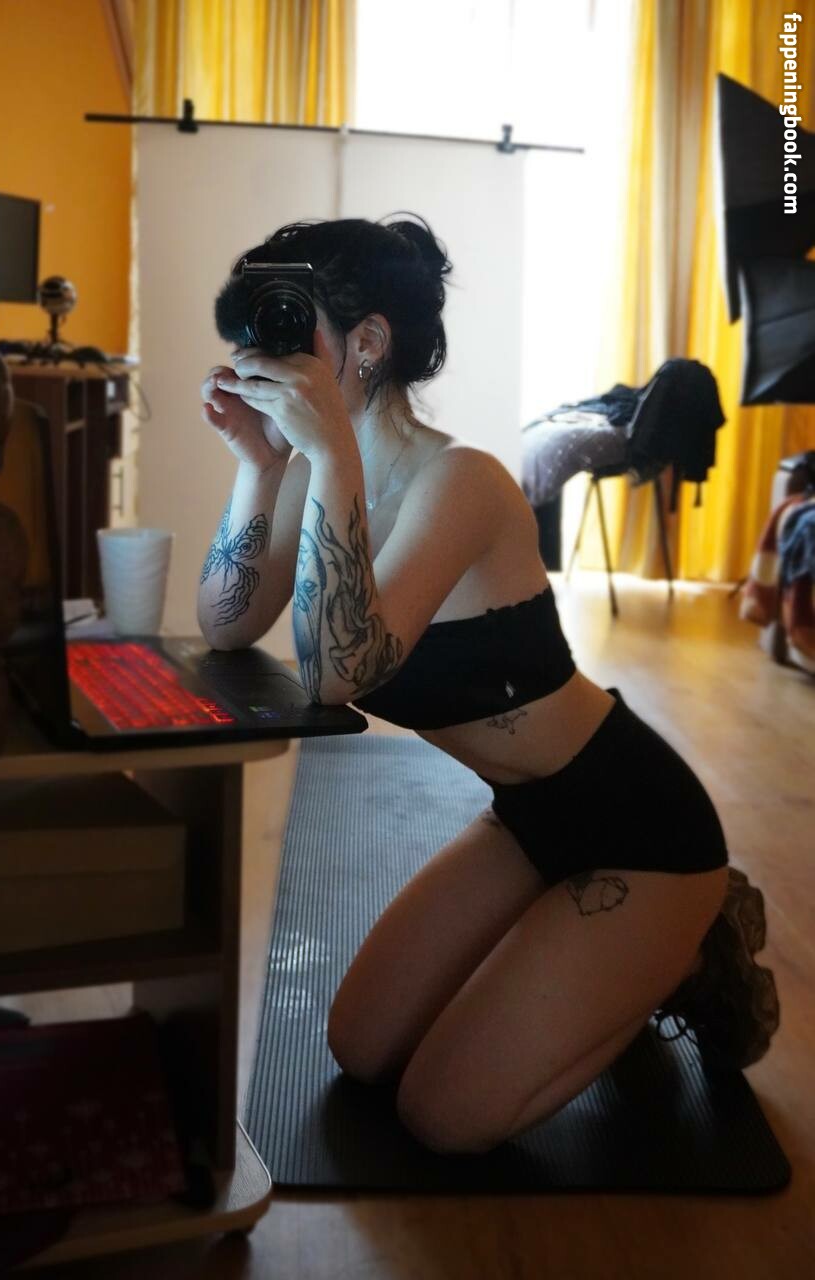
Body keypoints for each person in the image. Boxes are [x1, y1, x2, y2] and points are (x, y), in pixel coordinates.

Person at [197, 215, 779, 1155]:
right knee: (361, 1047)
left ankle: (685, 958)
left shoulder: (460, 482)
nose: (256, 361)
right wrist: (258, 467)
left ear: (367, 343)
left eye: (282, 334)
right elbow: (228, 622)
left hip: (642, 830)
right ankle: (624, 959)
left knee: (445, 1115)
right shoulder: (313, 473)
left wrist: (329, 455)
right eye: (249, 339)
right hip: (524, 818)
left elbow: (339, 671)